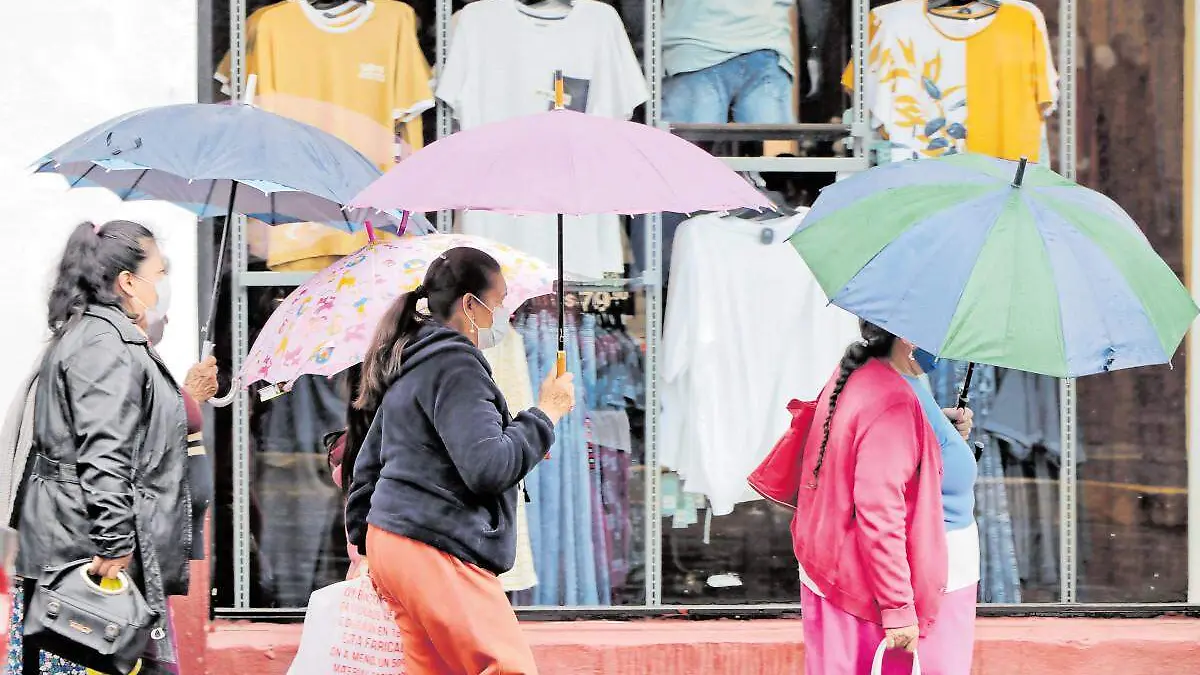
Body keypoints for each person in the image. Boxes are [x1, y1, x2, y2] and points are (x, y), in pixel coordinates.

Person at [346, 247, 575, 675]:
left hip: (394, 541)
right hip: (435, 542)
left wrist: (365, 539)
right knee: (506, 666)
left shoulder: (411, 356)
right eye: (499, 302)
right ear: (470, 304)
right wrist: (546, 413)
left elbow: (368, 461)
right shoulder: (457, 364)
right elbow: (488, 467)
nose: (504, 314)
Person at [13, 221, 193, 675]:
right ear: (128, 281)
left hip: (80, 541)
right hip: (86, 553)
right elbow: (103, 450)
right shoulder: (103, 344)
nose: (164, 283)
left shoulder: (106, 336)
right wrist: (114, 542)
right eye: (160, 271)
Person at [792, 321, 975, 675]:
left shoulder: (869, 373)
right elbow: (879, 508)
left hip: (872, 573)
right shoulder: (892, 400)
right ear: (908, 337)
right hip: (910, 581)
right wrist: (899, 609)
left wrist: (937, 430)